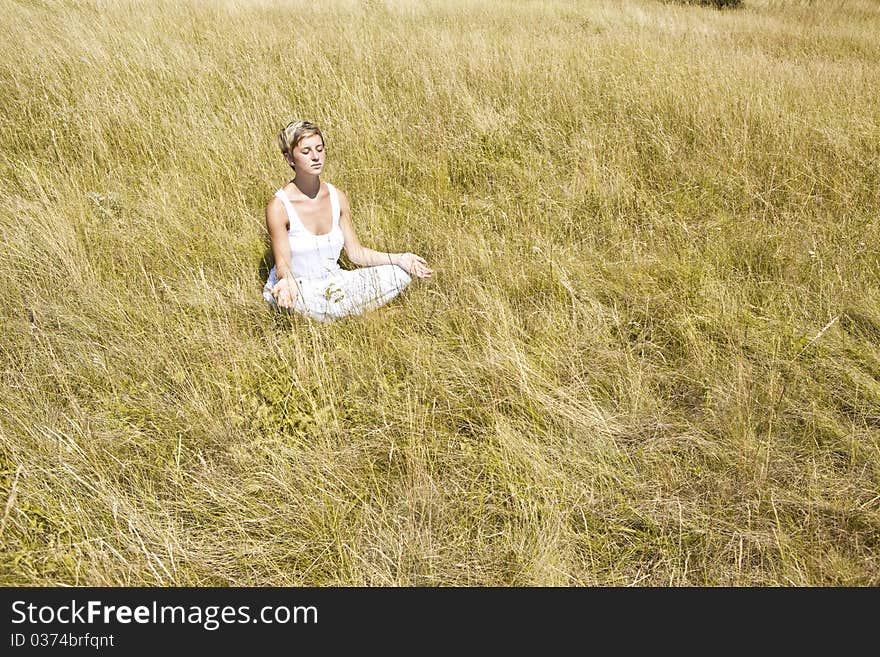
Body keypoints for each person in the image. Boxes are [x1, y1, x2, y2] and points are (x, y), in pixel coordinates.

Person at [263, 120, 432, 322]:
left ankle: (339, 314)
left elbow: (356, 253)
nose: (316, 157)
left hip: (335, 281)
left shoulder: (337, 197)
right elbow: (284, 267)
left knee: (401, 273)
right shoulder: (278, 206)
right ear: (289, 158)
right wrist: (286, 283)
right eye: (306, 152)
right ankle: (342, 314)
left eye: (319, 149)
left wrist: (400, 258)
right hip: (298, 287)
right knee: (298, 303)